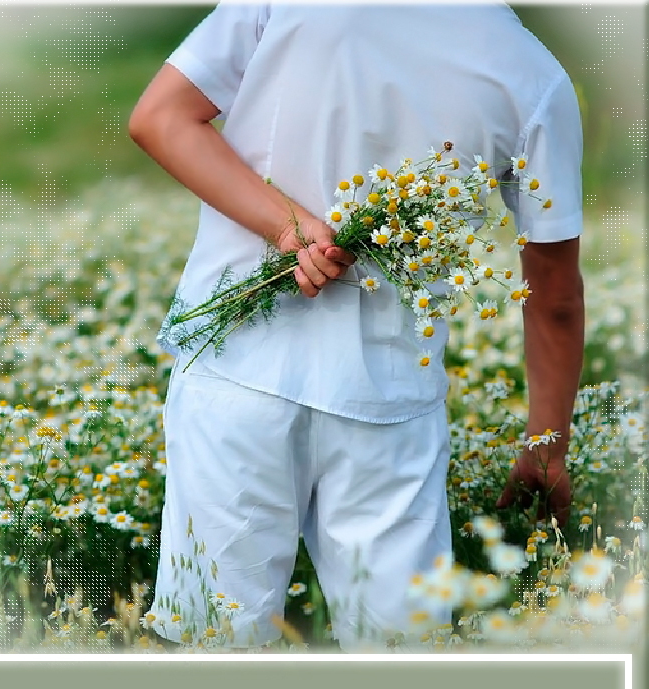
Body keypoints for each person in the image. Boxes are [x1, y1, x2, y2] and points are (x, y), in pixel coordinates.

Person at [128, 2, 584, 650]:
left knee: (208, 645)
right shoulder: (536, 77)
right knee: (396, 650)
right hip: (388, 404)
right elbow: (556, 294)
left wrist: (286, 227)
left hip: (237, 376)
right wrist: (547, 445)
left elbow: (161, 118)